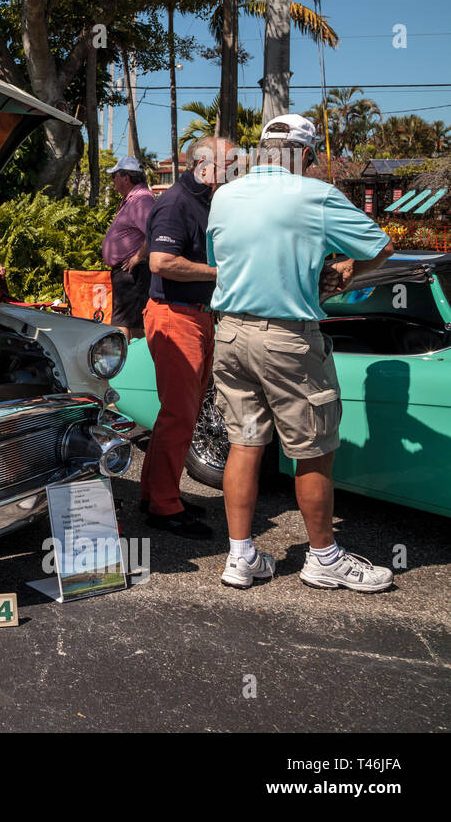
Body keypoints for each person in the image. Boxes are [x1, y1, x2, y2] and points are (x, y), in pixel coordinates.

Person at [207, 114, 395, 591]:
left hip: (230, 336)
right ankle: (323, 558)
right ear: (306, 155)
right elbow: (381, 247)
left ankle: (241, 557)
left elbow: (222, 264)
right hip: (287, 340)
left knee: (245, 443)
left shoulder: (224, 196)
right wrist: (345, 269)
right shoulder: (315, 194)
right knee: (314, 450)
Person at [139, 136, 240, 539]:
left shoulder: (203, 199)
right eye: (229, 164)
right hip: (175, 316)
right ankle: (163, 505)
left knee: (181, 414)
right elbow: (160, 261)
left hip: (194, 316)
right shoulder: (177, 202)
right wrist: (219, 274)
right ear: (204, 165)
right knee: (180, 413)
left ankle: (158, 496)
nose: (235, 171)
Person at [101, 156, 155, 337]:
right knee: (127, 322)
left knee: (127, 324)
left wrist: (138, 256)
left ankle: (128, 364)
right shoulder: (133, 198)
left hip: (134, 271)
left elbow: (154, 230)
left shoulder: (141, 199)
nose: (112, 180)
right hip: (128, 272)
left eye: (114, 176)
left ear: (126, 177)